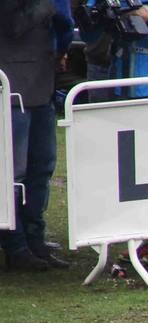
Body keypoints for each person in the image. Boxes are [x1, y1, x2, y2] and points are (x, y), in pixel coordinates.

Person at [2, 0, 76, 272]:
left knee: (41, 167)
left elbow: (64, 27)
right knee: (13, 173)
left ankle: (35, 238)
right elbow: (13, 26)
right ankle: (15, 244)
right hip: (13, 88)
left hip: (42, 85)